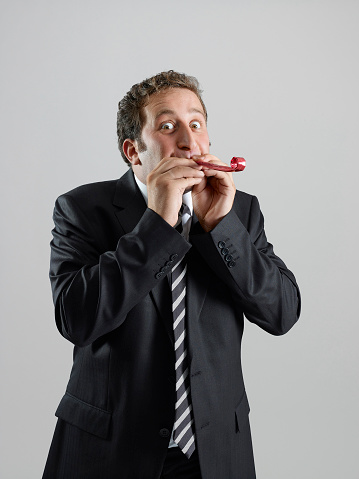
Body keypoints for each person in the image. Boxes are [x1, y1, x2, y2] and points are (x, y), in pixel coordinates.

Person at [42, 70, 301, 479]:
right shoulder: (81, 210)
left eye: (196, 123)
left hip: (214, 454)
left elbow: (282, 313)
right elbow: (77, 318)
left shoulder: (241, 211)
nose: (187, 139)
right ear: (133, 151)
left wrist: (221, 226)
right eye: (167, 126)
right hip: (108, 452)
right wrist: (157, 224)